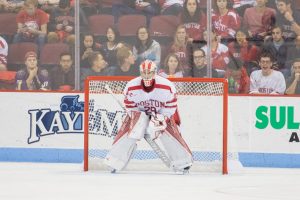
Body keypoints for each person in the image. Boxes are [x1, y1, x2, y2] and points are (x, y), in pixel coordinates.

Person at [104, 59, 193, 173]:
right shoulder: (131, 86)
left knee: (164, 129)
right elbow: (130, 105)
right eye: (144, 73)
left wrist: (162, 118)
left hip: (160, 113)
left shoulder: (166, 86)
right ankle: (114, 161)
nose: (146, 76)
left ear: (155, 72)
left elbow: (171, 106)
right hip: (139, 113)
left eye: (149, 72)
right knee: (132, 129)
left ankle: (183, 162)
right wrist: (136, 117)